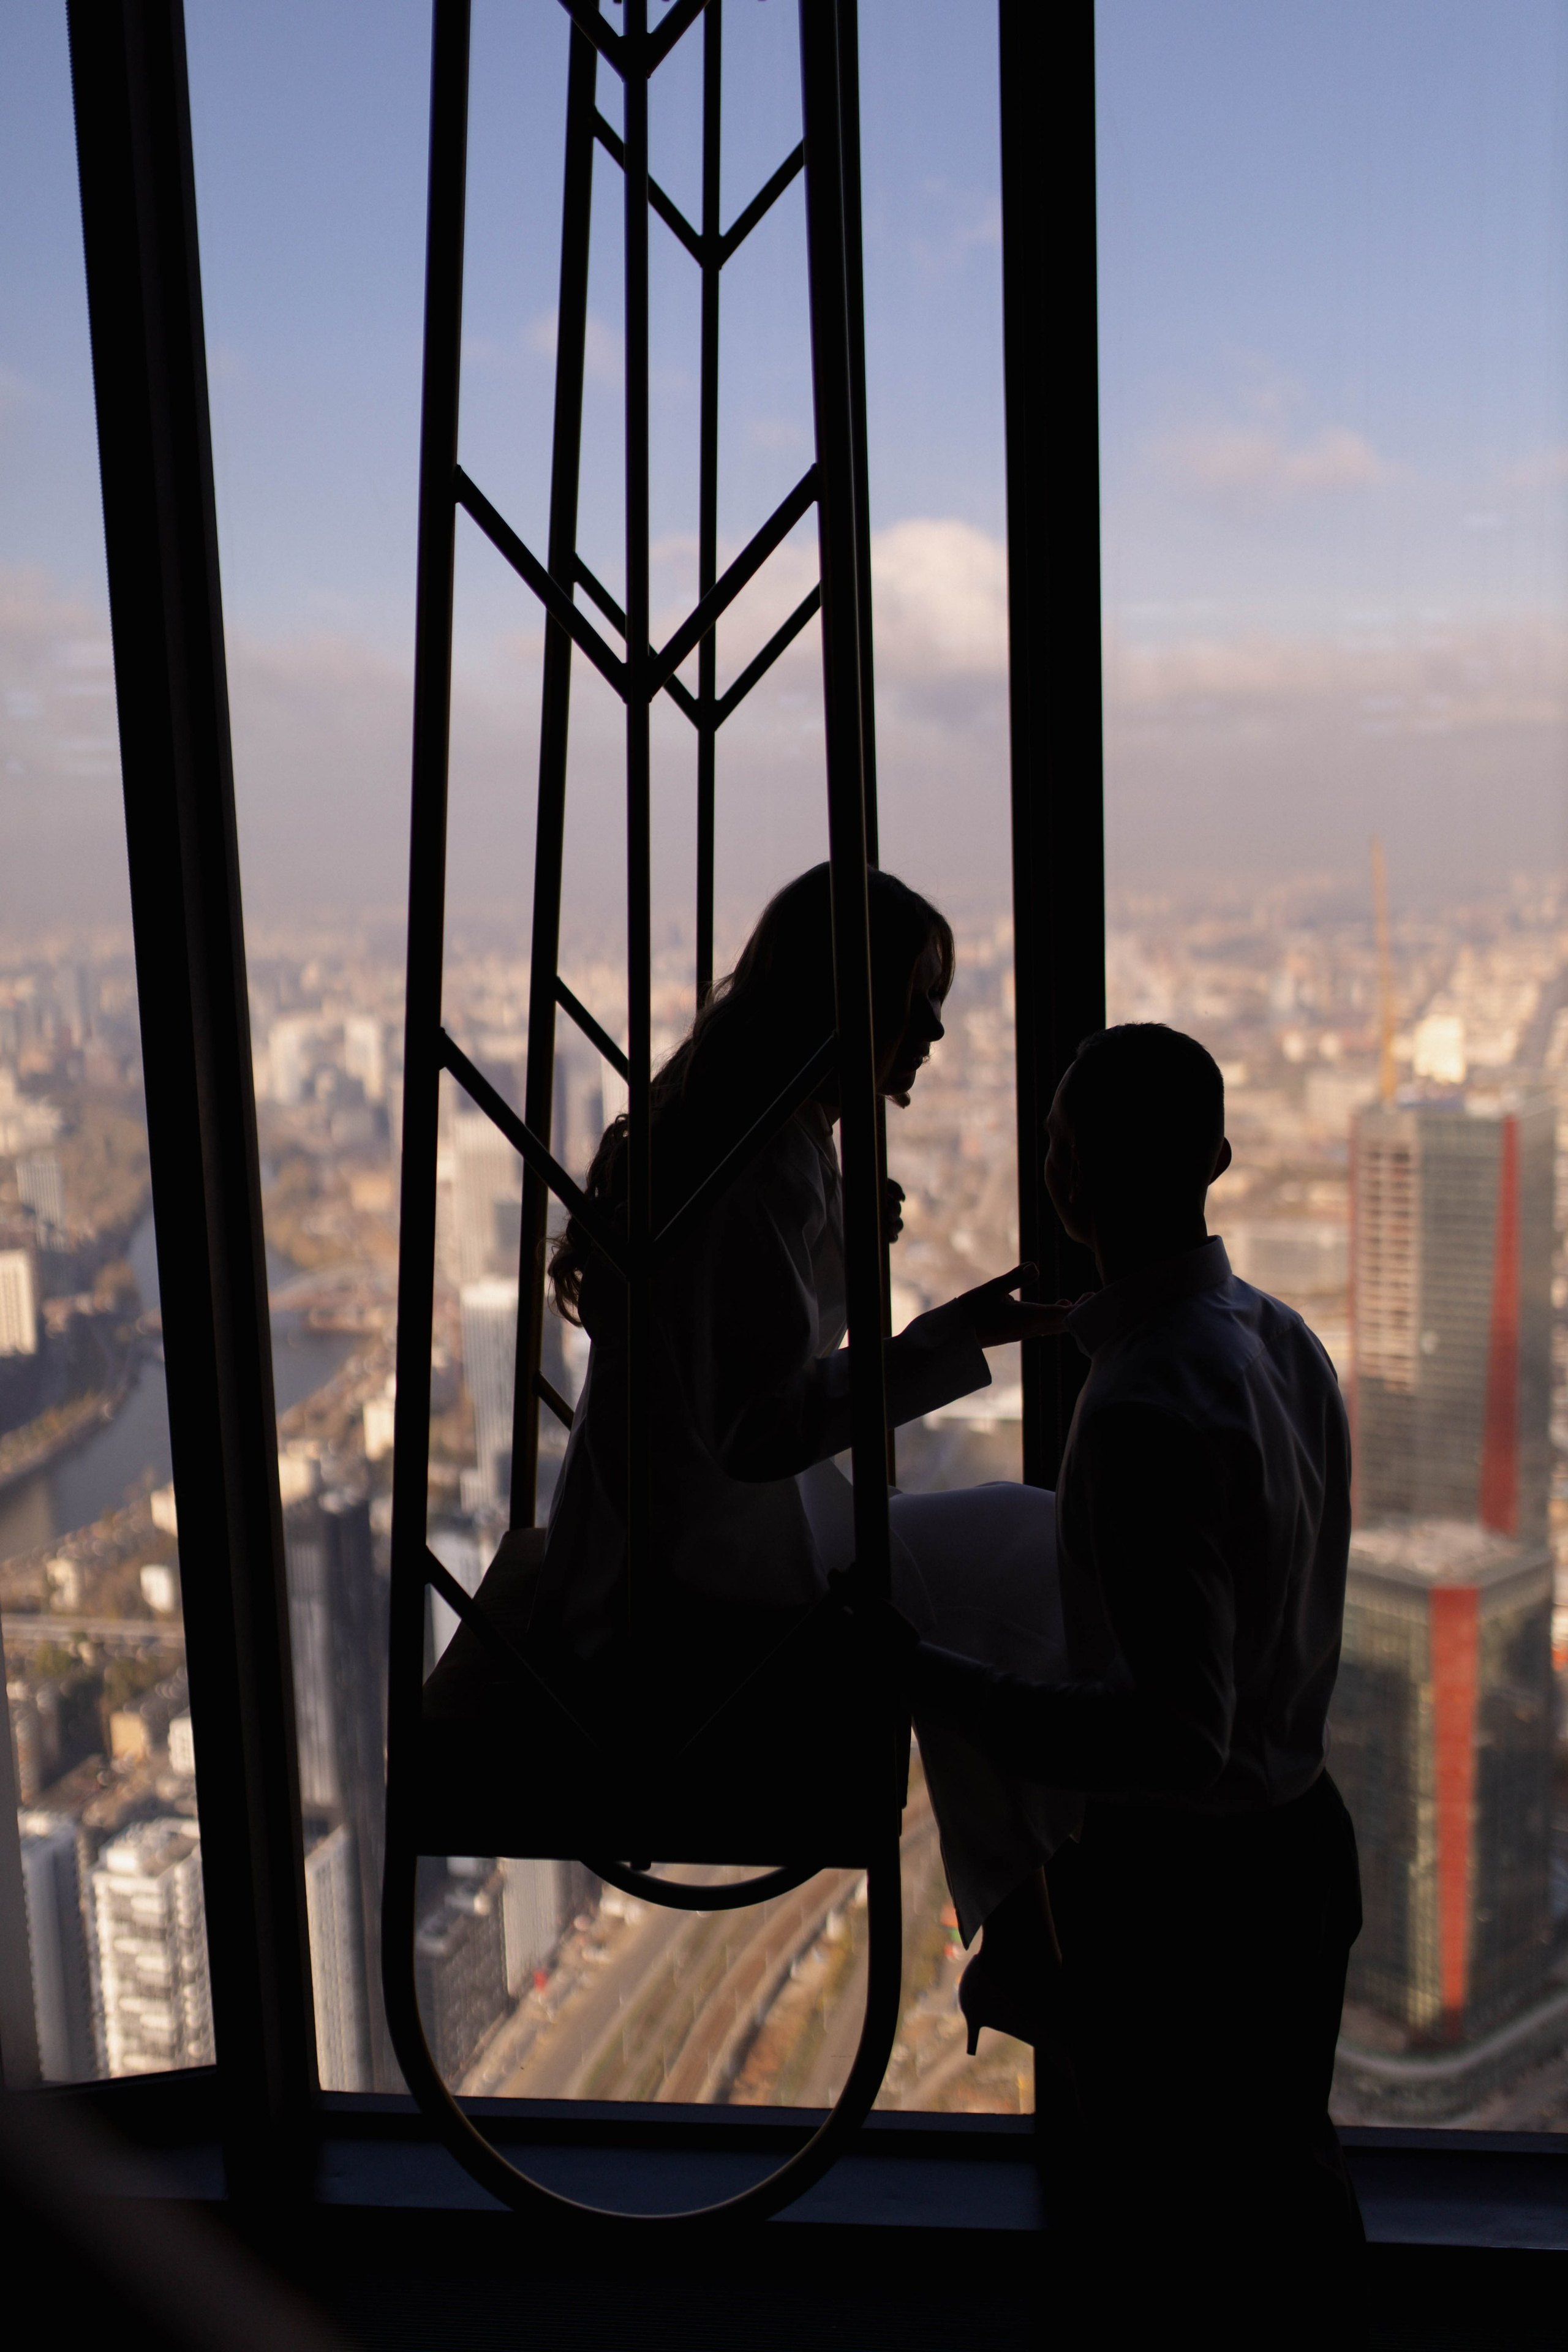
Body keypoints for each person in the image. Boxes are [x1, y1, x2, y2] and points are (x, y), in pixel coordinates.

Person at [540, 863, 1077, 2032]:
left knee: (999, 1559)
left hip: (658, 1535)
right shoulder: (763, 1161)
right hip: (697, 1567)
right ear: (850, 1002)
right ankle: (1033, 1923)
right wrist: (944, 1339)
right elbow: (758, 1424)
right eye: (917, 998)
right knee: (1027, 1552)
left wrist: (841, 1245)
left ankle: (1024, 1930)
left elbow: (733, 1355)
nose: (935, 1028)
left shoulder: (752, 1133)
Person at [905, 1022, 1365, 2273]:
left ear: (1063, 1178)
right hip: (1297, 1849)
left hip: (1188, 1906)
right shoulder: (1282, 1341)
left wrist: (926, 1678)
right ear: (1215, 1160)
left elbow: (1171, 1736)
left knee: (1167, 2231)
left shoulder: (1143, 1406)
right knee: (1281, 2194)